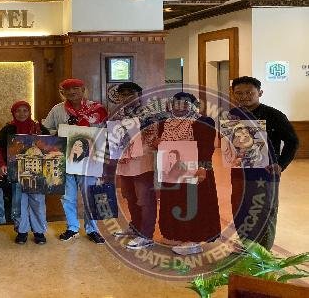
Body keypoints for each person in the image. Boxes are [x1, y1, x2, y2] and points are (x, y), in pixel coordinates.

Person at [227, 76, 298, 250]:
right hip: (240, 172)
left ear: (260, 93)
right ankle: (246, 245)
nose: (244, 96)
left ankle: (263, 252)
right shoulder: (232, 115)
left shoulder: (274, 115)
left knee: (264, 210)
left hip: (266, 172)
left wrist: (280, 164)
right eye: (239, 93)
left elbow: (292, 141)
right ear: (233, 94)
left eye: (249, 92)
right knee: (241, 209)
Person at [43, 78, 107, 245]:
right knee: (67, 197)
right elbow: (47, 129)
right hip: (65, 159)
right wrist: (59, 132)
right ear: (62, 92)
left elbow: (105, 132)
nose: (72, 92)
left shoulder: (97, 109)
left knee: (90, 195)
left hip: (89, 160)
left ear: (83, 90)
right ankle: (72, 227)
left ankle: (93, 229)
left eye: (75, 88)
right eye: (68, 89)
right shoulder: (57, 109)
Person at [157, 92, 220, 256]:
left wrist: (204, 168)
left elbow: (207, 148)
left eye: (185, 103)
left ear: (193, 106)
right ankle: (177, 234)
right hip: (172, 170)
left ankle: (194, 240)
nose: (180, 107)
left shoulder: (202, 122)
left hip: (195, 170)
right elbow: (162, 145)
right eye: (176, 103)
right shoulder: (165, 123)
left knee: (193, 202)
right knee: (173, 200)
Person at [109, 82, 158, 251]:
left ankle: (146, 235)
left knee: (144, 198)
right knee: (129, 195)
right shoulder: (117, 113)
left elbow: (154, 136)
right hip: (124, 160)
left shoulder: (149, 112)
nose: (126, 97)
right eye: (122, 94)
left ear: (139, 95)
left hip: (142, 160)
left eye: (131, 93)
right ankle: (135, 227)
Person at [0, 101, 50, 245]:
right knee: (18, 202)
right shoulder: (8, 129)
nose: (22, 113)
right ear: (13, 113)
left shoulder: (40, 128)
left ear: (30, 112)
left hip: (37, 173)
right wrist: (2, 164)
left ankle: (39, 231)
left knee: (38, 202)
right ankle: (22, 231)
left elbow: (50, 148)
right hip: (16, 172)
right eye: (18, 111)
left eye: (25, 110)